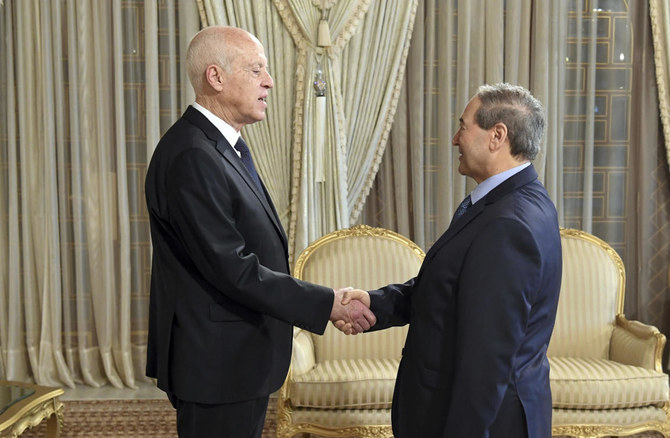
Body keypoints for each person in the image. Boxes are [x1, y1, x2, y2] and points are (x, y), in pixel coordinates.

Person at [144, 25, 374, 438]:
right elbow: (233, 269)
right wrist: (327, 303)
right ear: (215, 77)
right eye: (257, 70)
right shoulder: (193, 156)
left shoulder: (221, 146)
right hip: (216, 365)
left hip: (235, 359)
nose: (269, 82)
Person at [338, 83, 562, 437]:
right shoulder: (512, 201)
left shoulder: (507, 223)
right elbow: (452, 291)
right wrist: (376, 303)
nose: (455, 139)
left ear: (497, 136)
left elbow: (487, 362)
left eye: (463, 125)